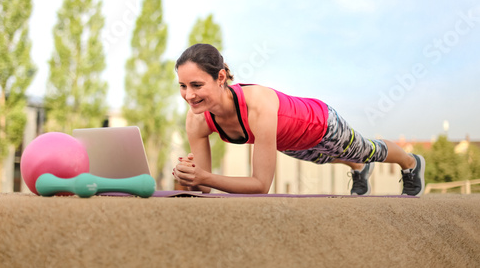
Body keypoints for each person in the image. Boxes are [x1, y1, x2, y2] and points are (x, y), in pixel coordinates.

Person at [172, 43, 425, 196]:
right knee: (324, 159)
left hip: (320, 123)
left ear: (221, 77)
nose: (189, 95)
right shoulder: (197, 121)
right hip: (289, 142)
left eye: (196, 84)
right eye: (183, 86)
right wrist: (187, 177)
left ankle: (410, 162)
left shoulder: (257, 104)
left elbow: (260, 185)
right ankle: (357, 169)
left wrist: (204, 177)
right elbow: (202, 188)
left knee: (365, 151)